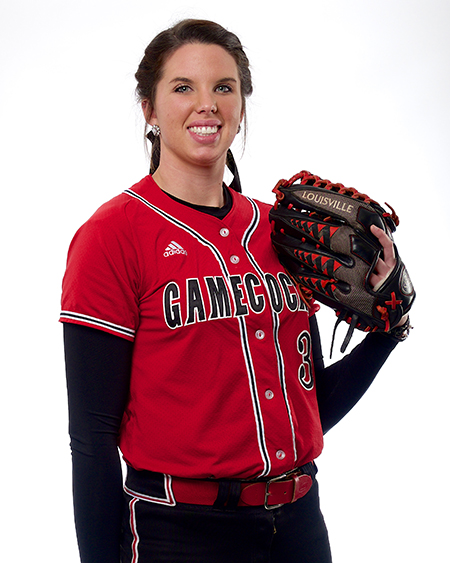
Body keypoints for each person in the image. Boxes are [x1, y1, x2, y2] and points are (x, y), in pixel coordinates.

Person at [61, 19, 410, 563]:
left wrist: (389, 331)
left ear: (242, 104)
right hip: (176, 533)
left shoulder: (285, 233)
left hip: (299, 523)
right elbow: (92, 436)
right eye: (183, 88)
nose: (207, 104)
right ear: (149, 110)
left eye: (224, 87)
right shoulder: (112, 236)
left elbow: (311, 406)